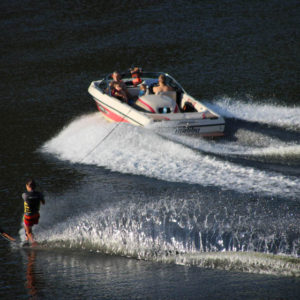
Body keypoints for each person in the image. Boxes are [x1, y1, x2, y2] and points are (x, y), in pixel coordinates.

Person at [22, 179, 45, 245]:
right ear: (35, 186)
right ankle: (27, 239)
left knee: (28, 230)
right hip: (36, 215)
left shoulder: (24, 195)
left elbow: (27, 199)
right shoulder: (39, 194)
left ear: (27, 186)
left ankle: (33, 243)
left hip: (28, 216)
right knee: (29, 227)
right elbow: (43, 203)